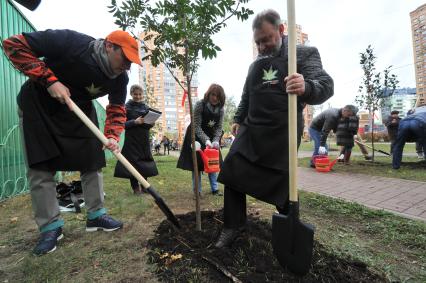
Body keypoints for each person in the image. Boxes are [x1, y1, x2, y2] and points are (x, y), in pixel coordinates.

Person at [2, 29, 141, 255]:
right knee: (40, 165)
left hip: (78, 110)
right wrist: (50, 81)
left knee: (92, 161)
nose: (126, 66)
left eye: (131, 63)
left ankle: (96, 215)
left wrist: (113, 136)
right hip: (39, 105)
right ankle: (50, 227)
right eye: (124, 58)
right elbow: (13, 45)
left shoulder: (120, 78)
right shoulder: (71, 43)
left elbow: (116, 109)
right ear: (108, 46)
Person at [214, 9, 334, 248]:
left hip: (283, 131)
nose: (262, 47)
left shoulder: (303, 54)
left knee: (282, 184)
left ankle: (290, 232)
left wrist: (307, 86)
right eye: (258, 42)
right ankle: (233, 226)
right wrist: (238, 118)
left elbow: (326, 85)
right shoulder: (254, 65)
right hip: (252, 128)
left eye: (266, 40)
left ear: (281, 30)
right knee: (233, 170)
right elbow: (247, 96)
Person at [177, 83, 226, 197]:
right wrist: (206, 140)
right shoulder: (200, 105)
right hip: (196, 136)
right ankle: (197, 191)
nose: (215, 98)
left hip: (211, 135)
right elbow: (196, 126)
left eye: (218, 96)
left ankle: (215, 189)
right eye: (213, 95)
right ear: (209, 94)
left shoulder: (221, 110)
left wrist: (215, 140)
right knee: (197, 164)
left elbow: (219, 128)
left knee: (212, 162)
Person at [113, 84, 158, 195]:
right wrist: (134, 122)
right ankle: (135, 188)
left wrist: (151, 123)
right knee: (132, 164)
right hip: (132, 140)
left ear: (142, 94)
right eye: (135, 94)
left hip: (144, 140)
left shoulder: (146, 107)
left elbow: (147, 125)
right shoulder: (126, 107)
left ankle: (144, 186)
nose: (138, 96)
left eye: (139, 94)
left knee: (144, 163)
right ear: (131, 94)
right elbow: (122, 124)